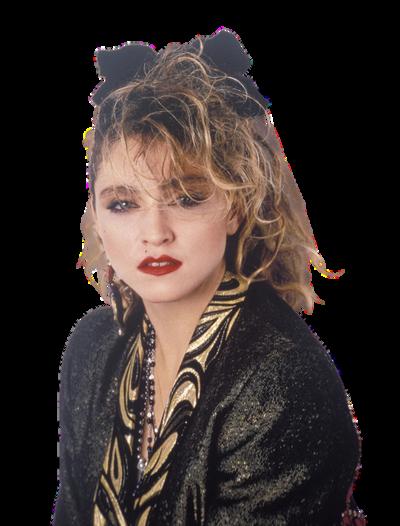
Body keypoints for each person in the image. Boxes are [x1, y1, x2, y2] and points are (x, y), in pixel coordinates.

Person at [52, 28, 367, 525]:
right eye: (123, 203)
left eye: (187, 198)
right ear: (97, 217)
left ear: (236, 207)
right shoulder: (93, 348)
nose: (154, 233)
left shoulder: (278, 383)